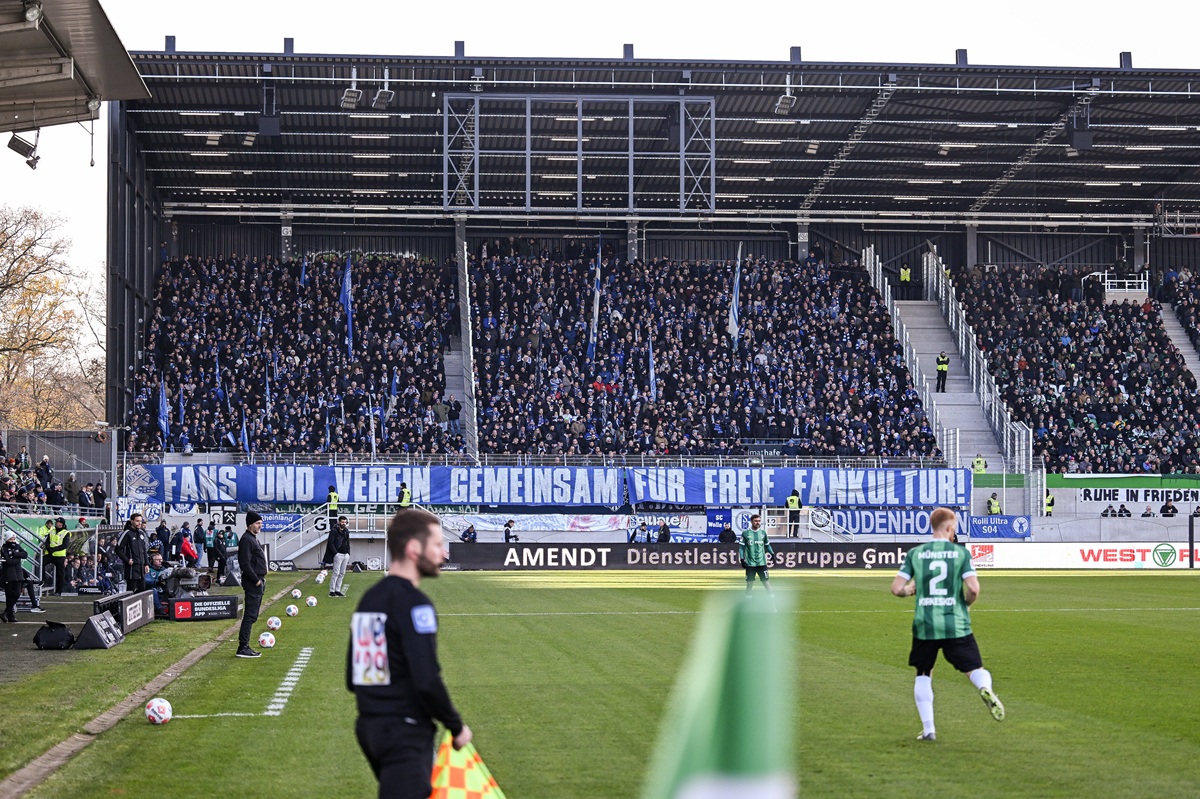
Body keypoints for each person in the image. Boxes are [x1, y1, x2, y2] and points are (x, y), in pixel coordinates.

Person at [346, 507, 472, 799]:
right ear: (415, 549)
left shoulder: (370, 598)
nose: (444, 553)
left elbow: (356, 678)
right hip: (405, 733)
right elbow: (426, 679)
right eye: (438, 545)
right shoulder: (416, 605)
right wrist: (456, 727)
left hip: (370, 729)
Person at [890, 506, 1004, 742]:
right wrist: (966, 605)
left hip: (925, 625)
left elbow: (896, 589)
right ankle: (986, 689)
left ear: (932, 526)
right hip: (956, 623)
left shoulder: (916, 554)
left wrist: (909, 590)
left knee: (923, 674)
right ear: (950, 528)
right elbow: (973, 588)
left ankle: (929, 728)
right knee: (974, 670)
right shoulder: (961, 554)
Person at [236, 511, 267, 658]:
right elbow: (245, 563)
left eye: (261, 523)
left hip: (258, 580)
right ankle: (243, 647)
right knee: (250, 615)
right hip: (253, 582)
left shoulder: (253, 539)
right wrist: (256, 580)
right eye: (257, 523)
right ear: (250, 525)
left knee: (253, 615)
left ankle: (245, 646)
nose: (260, 526)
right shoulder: (247, 540)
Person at [738, 513, 774, 596]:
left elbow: (767, 545)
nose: (758, 523)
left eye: (759, 521)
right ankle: (748, 602)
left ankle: (772, 602)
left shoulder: (763, 533)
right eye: (755, 521)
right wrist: (742, 559)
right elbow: (741, 548)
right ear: (751, 522)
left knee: (766, 583)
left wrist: (772, 554)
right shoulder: (746, 533)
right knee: (749, 584)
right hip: (750, 563)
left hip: (762, 563)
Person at [118, 513, 150, 593]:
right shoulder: (127, 533)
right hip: (132, 568)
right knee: (131, 592)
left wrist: (146, 564)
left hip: (141, 568)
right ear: (132, 521)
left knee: (142, 591)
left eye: (140, 521)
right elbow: (118, 549)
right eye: (137, 521)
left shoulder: (142, 533)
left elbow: (144, 550)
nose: (139, 523)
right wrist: (127, 560)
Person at [2, 531, 25, 623]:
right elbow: (8, 561)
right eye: (11, 539)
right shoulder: (4, 548)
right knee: (9, 595)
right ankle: (10, 614)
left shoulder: (17, 546)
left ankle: (6, 612)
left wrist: (15, 555)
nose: (13, 541)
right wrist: (17, 558)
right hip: (8, 575)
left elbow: (25, 554)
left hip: (18, 574)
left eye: (14, 539)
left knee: (17, 593)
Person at [328, 515, 352, 598]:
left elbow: (348, 543)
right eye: (342, 522)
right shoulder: (334, 531)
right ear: (339, 522)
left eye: (345, 522)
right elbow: (330, 543)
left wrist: (348, 553)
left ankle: (337, 590)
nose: (343, 523)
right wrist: (335, 553)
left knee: (342, 573)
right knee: (336, 573)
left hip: (345, 555)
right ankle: (332, 590)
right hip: (338, 554)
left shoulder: (346, 531)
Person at [45, 517, 69, 594]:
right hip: (50, 554)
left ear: (61, 524)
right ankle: (43, 581)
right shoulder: (52, 531)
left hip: (59, 555)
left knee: (60, 573)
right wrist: (49, 549)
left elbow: (65, 545)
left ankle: (59, 590)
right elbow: (47, 542)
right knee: (40, 563)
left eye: (58, 522)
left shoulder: (66, 533)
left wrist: (54, 549)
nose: (56, 523)